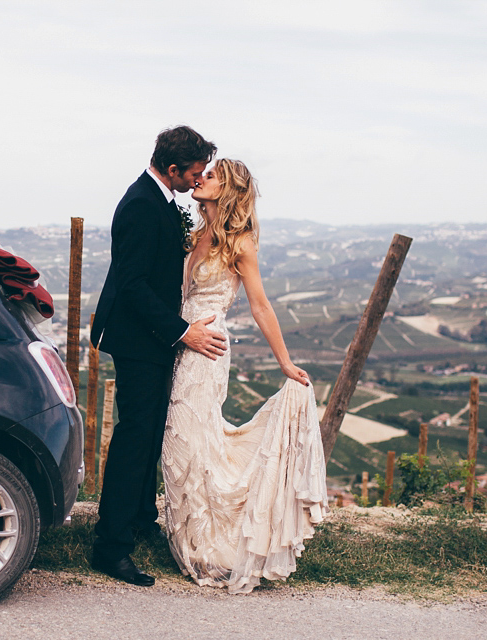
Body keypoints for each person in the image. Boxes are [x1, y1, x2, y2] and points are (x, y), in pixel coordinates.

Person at [162, 158, 329, 594]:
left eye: (212, 175)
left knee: (193, 438)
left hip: (207, 351)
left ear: (228, 190)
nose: (201, 178)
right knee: (181, 442)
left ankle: (216, 546)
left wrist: (285, 363)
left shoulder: (240, 244)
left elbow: (260, 305)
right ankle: (195, 538)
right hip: (181, 343)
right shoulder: (195, 235)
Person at [89, 126, 226, 586]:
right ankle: (111, 547)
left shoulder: (159, 199)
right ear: (172, 169)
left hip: (151, 339)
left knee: (149, 436)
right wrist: (182, 331)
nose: (198, 178)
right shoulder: (142, 206)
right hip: (137, 340)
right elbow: (132, 286)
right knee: (133, 441)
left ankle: (137, 521)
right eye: (194, 171)